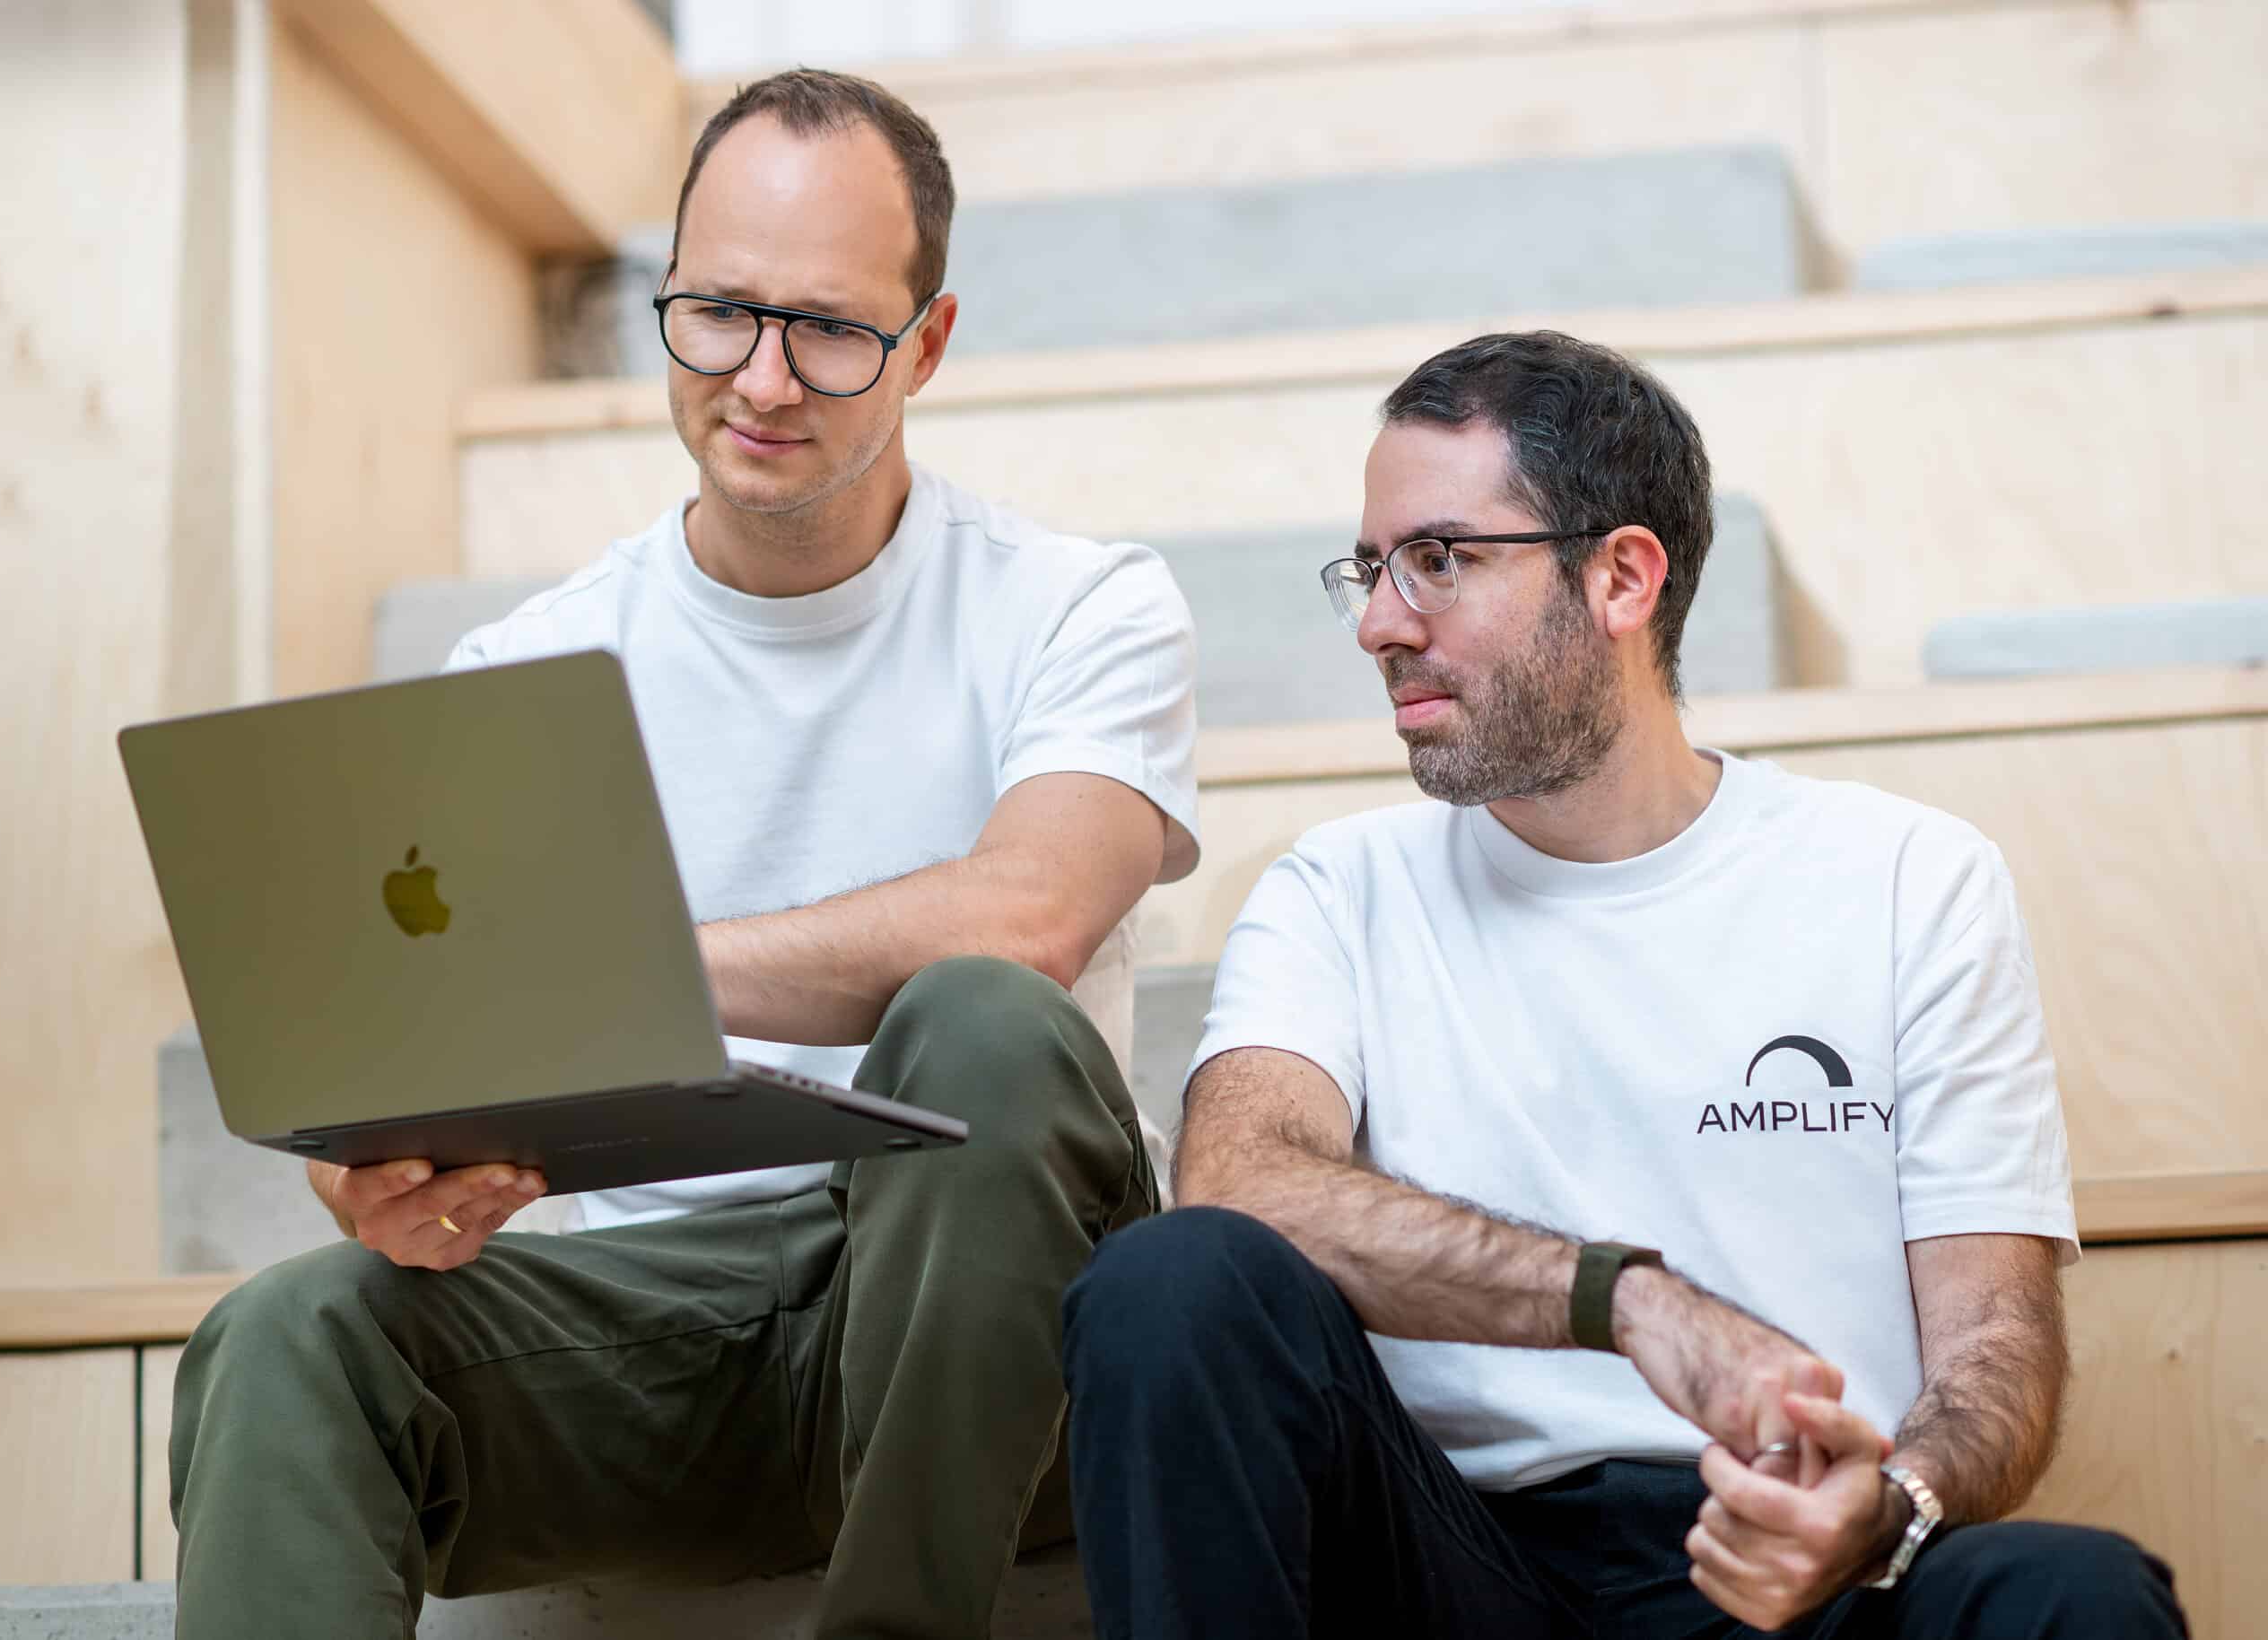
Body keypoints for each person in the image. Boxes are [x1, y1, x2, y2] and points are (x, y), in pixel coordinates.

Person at [170, 68, 1199, 1640]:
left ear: (927, 344)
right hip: (677, 1341)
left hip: (1008, 1329)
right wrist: (379, 1179)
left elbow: (1033, 917)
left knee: (983, 1015)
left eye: (830, 329)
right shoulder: (529, 671)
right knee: (289, 1333)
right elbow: (413, 1085)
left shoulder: (1082, 606)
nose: (762, 381)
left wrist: (616, 964)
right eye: (718, 312)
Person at [1060, 330, 2186, 1638]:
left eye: (1439, 559)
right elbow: (1240, 1183)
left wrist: (1893, 1507)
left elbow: (1995, 1345)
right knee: (1169, 1282)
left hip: (1791, 1573)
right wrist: (1628, 1302)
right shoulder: (1337, 890)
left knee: (2079, 1593)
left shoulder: (1907, 877)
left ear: (1622, 578)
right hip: (1455, 1569)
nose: (1379, 623)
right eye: (1371, 569)